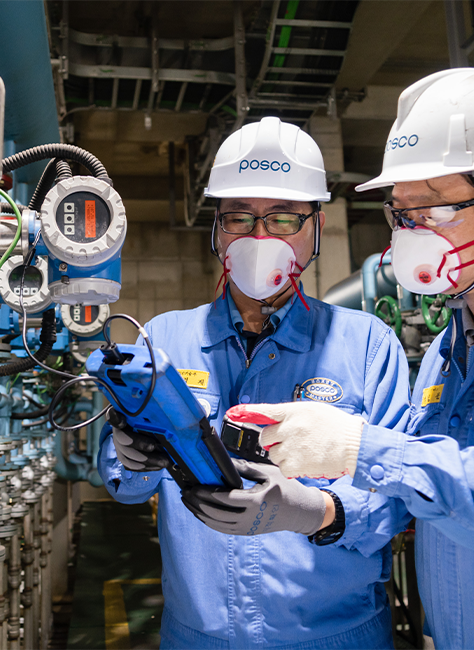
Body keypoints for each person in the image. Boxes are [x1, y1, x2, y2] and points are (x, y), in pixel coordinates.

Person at [211, 69, 474, 648]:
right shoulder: (444, 351)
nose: (412, 234)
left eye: (432, 209)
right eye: (401, 213)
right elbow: (416, 491)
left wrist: (361, 447)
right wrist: (313, 501)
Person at [98, 116, 413, 649]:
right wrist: (129, 460)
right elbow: (122, 484)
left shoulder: (366, 345)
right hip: (198, 634)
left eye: (283, 218)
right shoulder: (165, 337)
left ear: (314, 225)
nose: (260, 237)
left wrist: (320, 512)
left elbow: (400, 493)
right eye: (240, 218)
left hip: (336, 635)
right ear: (218, 229)